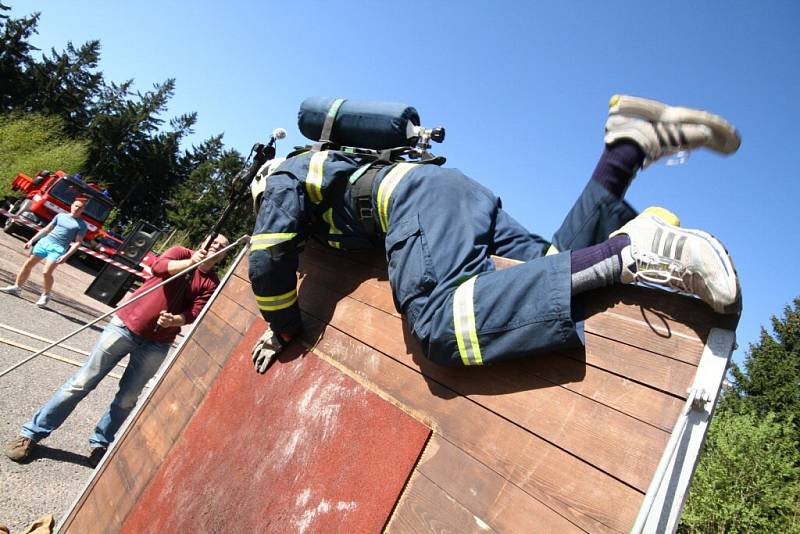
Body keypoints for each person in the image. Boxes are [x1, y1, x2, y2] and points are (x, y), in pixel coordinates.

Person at [248, 94, 741, 372]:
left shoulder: (286, 176)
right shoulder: (336, 165)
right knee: (549, 268)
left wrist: (282, 326)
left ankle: (636, 249)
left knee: (443, 326)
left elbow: (269, 256)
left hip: (412, 202)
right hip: (456, 192)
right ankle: (629, 145)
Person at [4, 234, 229, 466]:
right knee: (81, 383)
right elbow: (158, 267)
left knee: (127, 399)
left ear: (224, 255)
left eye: (222, 247)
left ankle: (100, 444)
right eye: (214, 241)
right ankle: (31, 434)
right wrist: (191, 263)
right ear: (204, 241)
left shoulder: (211, 282)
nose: (216, 246)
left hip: (157, 344)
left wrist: (175, 320)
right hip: (124, 327)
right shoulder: (181, 252)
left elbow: (194, 312)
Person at [1, 197, 88, 307]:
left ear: (82, 210)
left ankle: (46, 295)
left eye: (80, 208)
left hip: (59, 248)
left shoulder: (81, 225)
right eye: (76, 205)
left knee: (46, 272)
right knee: (28, 264)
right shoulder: (60, 216)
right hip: (45, 242)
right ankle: (16, 287)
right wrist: (32, 240)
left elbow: (77, 243)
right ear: (72, 205)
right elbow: (46, 229)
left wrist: (66, 256)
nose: (77, 208)